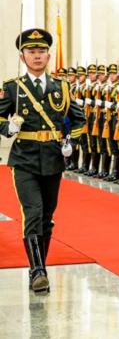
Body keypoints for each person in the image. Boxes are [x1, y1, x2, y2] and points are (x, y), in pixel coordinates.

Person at [0, 28, 86, 294]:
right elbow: (0, 119)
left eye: (41, 51)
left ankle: (37, 266)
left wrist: (71, 141)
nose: (36, 56)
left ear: (49, 55)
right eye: (31, 51)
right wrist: (9, 128)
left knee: (47, 218)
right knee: (33, 213)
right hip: (23, 158)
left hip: (52, 159)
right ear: (22, 56)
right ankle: (38, 272)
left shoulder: (62, 87)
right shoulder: (12, 87)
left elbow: (79, 119)